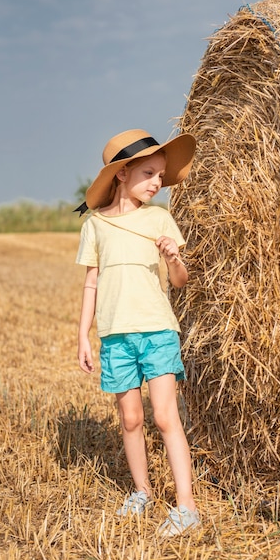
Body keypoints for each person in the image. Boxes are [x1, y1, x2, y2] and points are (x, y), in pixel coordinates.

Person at [75, 128, 200, 537]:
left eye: (161, 176)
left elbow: (179, 281)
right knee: (130, 419)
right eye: (149, 173)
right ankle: (142, 492)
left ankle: (186, 507)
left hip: (157, 331)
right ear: (122, 173)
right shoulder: (95, 226)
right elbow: (91, 283)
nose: (157, 183)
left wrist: (174, 257)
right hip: (115, 335)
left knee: (165, 417)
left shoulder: (159, 219)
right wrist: (83, 336)